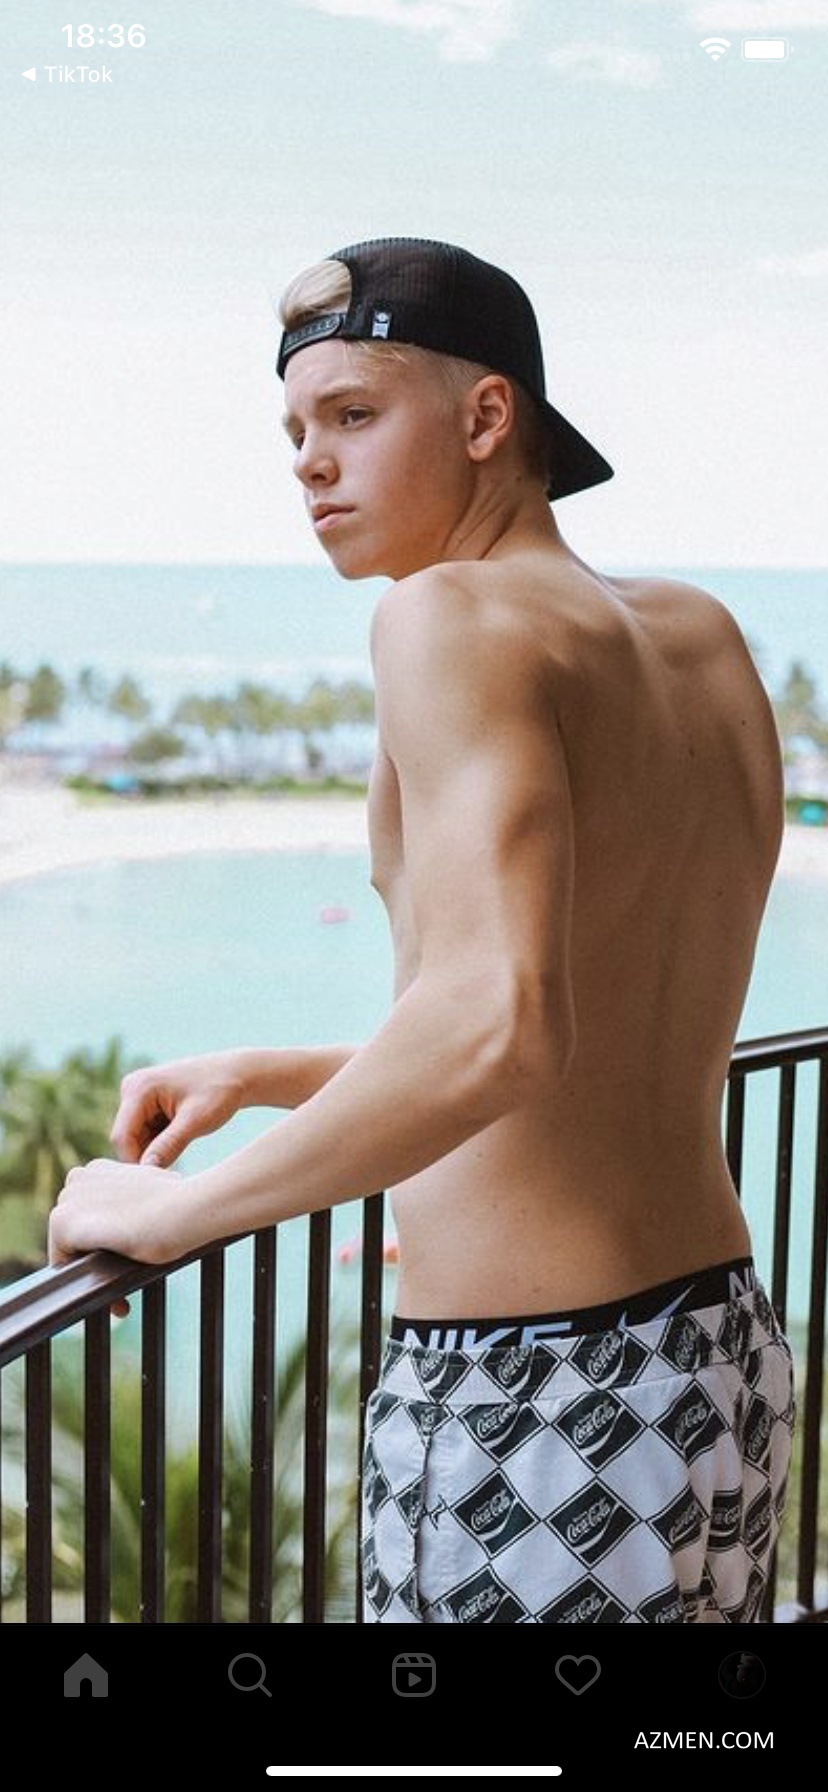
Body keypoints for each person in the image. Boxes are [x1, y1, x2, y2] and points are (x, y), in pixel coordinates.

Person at [50, 236, 794, 1624]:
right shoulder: (698, 638)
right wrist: (268, 1071)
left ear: (487, 416)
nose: (310, 465)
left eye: (352, 415)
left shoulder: (444, 617)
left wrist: (177, 1210)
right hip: (716, 1350)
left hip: (538, 1394)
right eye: (294, 432)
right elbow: (582, 1033)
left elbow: (500, 1029)